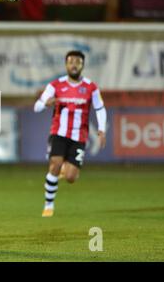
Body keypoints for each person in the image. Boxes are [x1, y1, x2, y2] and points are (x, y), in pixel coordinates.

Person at [34, 50, 107, 218]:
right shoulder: (55, 85)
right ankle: (48, 205)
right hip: (59, 132)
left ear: (82, 65)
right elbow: (36, 107)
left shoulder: (91, 87)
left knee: (71, 177)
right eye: (71, 61)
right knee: (55, 164)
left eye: (78, 61)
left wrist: (102, 129)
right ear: (66, 65)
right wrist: (46, 103)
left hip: (79, 136)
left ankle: (64, 169)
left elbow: (99, 108)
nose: (74, 64)